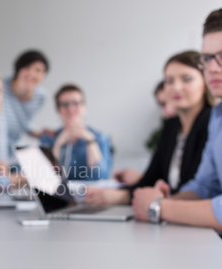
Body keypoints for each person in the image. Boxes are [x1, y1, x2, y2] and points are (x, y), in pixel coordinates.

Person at [132, 8, 222, 231]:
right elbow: (205, 185)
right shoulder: (218, 117)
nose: (211, 68)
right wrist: (172, 201)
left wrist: (159, 207)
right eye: (207, 58)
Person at [86, 51, 214, 206]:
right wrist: (120, 195)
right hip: (170, 213)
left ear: (206, 81)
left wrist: (126, 197)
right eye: (169, 80)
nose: (176, 87)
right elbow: (150, 179)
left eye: (187, 79)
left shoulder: (213, 122)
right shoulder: (171, 126)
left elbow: (201, 190)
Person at [40, 84, 113, 180]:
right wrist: (59, 142)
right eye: (65, 104)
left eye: (76, 103)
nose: (70, 109)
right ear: (58, 109)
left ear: (84, 106)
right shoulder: (48, 138)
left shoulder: (100, 137)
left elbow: (101, 176)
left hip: (90, 192)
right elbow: (43, 176)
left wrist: (90, 141)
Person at [0, 50, 49, 171]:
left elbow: (24, 121)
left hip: (15, 148)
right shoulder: (0, 87)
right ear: (18, 68)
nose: (31, 74)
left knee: (43, 172)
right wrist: (2, 168)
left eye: (38, 70)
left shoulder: (41, 96)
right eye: (27, 67)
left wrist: (37, 133)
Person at [115, 81, 178, 186]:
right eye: (162, 104)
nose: (168, 109)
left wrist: (141, 179)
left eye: (173, 100)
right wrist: (142, 179)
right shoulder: (169, 134)